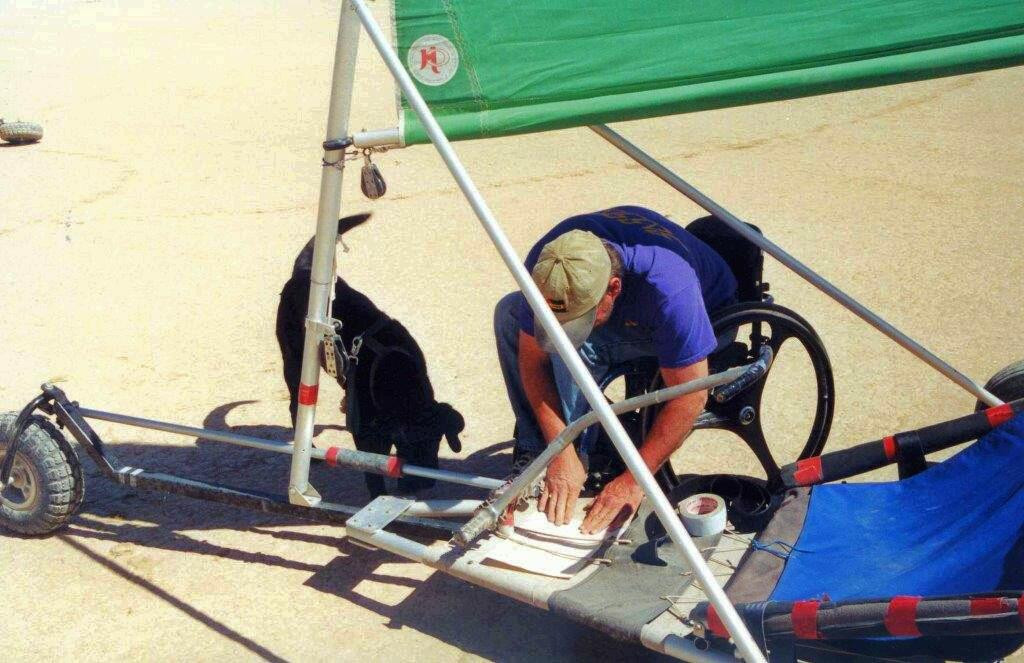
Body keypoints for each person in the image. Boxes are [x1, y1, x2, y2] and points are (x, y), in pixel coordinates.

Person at [494, 205, 738, 534]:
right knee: (510, 313)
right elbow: (531, 358)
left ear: (612, 289)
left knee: (577, 348)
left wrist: (635, 481)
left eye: (579, 319)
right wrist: (559, 448)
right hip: (637, 306)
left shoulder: (669, 289)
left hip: (713, 314)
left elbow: (690, 397)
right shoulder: (549, 262)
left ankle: (586, 454)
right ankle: (543, 451)